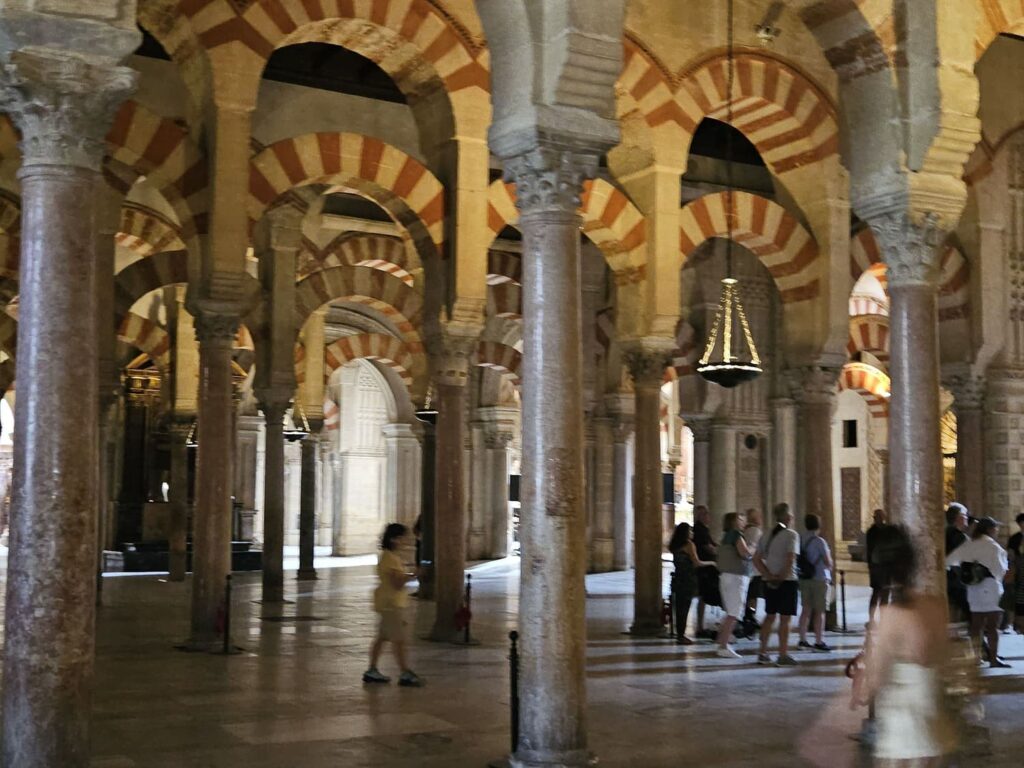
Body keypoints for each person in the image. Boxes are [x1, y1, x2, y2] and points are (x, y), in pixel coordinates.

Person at [853, 525, 957, 765]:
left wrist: (864, 675)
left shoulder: (891, 615)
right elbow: (943, 659)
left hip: (904, 715)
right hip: (932, 709)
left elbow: (877, 676)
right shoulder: (935, 605)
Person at [363, 523, 424, 686]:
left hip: (387, 602)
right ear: (394, 539)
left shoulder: (388, 556)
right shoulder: (390, 558)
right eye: (402, 538)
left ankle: (372, 669)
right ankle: (405, 672)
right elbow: (397, 583)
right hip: (392, 604)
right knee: (399, 640)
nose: (404, 541)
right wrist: (414, 574)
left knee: (382, 637)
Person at [946, 516, 1010, 668]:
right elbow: (1000, 570)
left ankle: (976, 657)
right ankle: (993, 659)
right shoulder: (993, 547)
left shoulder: (969, 544)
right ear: (989, 529)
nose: (997, 531)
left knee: (976, 625)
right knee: (993, 626)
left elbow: (949, 561)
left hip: (973, 589)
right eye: (995, 528)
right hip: (991, 588)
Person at [754, 503, 800, 666]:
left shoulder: (765, 535)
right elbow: (790, 558)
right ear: (788, 517)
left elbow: (756, 559)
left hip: (769, 581)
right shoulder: (791, 535)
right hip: (787, 582)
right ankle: (782, 654)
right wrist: (781, 577)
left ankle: (762, 652)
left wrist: (768, 575)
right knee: (785, 619)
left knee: (770, 616)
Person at [668, 522, 714, 644]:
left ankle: (680, 634)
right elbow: (697, 563)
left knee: (679, 607)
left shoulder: (675, 546)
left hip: (678, 578)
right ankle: (681, 636)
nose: (692, 533)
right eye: (690, 531)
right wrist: (712, 563)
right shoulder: (689, 545)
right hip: (688, 579)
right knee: (685, 607)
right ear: (686, 533)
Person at [716, 512, 753, 658]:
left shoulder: (725, 536)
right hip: (735, 577)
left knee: (731, 610)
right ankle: (723, 646)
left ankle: (721, 639)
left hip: (726, 576)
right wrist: (752, 549)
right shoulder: (736, 534)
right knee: (734, 613)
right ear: (734, 521)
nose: (743, 521)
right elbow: (744, 553)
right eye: (740, 518)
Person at [797, 514, 833, 652]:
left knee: (805, 610)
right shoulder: (819, 541)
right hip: (819, 578)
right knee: (819, 611)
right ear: (819, 525)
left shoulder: (800, 539)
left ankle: (802, 640)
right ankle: (819, 641)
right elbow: (828, 561)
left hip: (804, 578)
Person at [692, 506, 719, 636]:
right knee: (703, 596)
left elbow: (713, 544)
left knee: (703, 597)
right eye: (706, 514)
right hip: (704, 568)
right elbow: (708, 547)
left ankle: (700, 625)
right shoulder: (699, 530)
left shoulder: (703, 529)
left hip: (707, 567)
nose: (709, 517)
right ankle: (699, 626)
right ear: (701, 516)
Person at [944, 503, 970, 623]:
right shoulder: (959, 537)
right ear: (958, 517)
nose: (967, 518)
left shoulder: (944, 533)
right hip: (956, 579)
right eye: (965, 515)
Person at [743, 509, 764, 628]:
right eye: (759, 516)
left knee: (750, 594)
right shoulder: (755, 531)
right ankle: (750, 616)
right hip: (754, 568)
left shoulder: (746, 530)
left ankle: (749, 615)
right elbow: (755, 548)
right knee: (753, 595)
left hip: (748, 567)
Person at [865, 508, 889, 614]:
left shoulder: (884, 530)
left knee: (884, 595)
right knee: (876, 593)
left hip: (883, 567)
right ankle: (872, 619)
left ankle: (883, 619)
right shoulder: (872, 532)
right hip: (877, 567)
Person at [1009, 513, 1024, 635]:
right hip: (1020, 572)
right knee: (1020, 600)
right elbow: (1012, 556)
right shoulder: (1015, 538)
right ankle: (1019, 625)